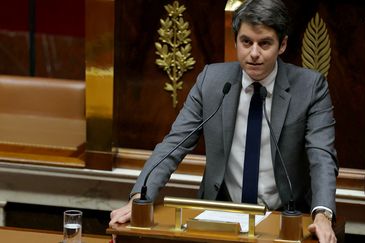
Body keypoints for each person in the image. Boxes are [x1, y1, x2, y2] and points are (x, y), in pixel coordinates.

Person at [110, 0, 338, 242]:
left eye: (265, 44)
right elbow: (173, 144)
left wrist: (323, 213)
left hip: (284, 218)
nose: (254, 53)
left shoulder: (310, 87)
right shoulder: (212, 81)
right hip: (220, 216)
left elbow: (322, 155)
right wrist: (139, 198)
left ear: (282, 45)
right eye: (246, 42)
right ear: (236, 41)